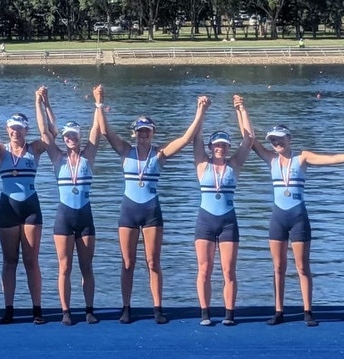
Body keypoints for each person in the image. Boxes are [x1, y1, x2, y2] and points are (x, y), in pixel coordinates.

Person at [97, 90, 207, 324]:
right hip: (128, 212)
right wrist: (99, 102)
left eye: (147, 131)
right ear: (134, 134)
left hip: (151, 213)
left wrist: (201, 112)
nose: (143, 135)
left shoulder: (160, 155)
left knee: (153, 261)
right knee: (127, 262)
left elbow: (186, 139)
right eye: (139, 132)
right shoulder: (126, 151)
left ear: (152, 133)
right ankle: (126, 307)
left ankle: (157, 307)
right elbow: (105, 131)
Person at [252, 125, 344, 327]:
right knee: (278, 267)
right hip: (278, 219)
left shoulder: (302, 158)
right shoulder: (271, 159)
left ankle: (308, 311)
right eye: (273, 140)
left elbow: (330, 159)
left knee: (302, 267)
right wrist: (241, 109)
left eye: (280, 139)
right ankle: (278, 311)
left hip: (298, 218)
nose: (276, 143)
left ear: (289, 139)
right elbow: (251, 140)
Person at [0, 86, 57, 325]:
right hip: (7, 209)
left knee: (31, 260)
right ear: (7, 130)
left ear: (26, 130)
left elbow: (49, 135)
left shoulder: (33, 149)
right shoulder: (0, 151)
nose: (15, 132)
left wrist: (39, 102)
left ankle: (37, 309)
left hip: (30, 209)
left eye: (20, 129)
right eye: (12, 129)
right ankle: (9, 309)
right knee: (10, 261)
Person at [37, 85, 101, 326]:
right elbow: (44, 131)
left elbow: (97, 129)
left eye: (74, 135)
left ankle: (89, 309)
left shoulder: (89, 156)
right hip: (64, 217)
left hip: (85, 217)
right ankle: (65, 311)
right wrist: (42, 103)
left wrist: (98, 103)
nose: (71, 139)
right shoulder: (56, 157)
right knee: (64, 267)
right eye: (67, 136)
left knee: (86, 266)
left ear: (79, 137)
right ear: (63, 139)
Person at [192, 95, 253, 326]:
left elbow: (249, 139)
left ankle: (229, 314)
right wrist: (202, 109)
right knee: (204, 269)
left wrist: (241, 108)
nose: (220, 149)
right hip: (205, 222)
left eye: (223, 146)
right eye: (216, 145)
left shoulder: (234, 165)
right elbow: (195, 136)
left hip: (228, 222)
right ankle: (205, 313)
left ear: (227, 148)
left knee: (229, 270)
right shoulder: (201, 164)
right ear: (210, 147)